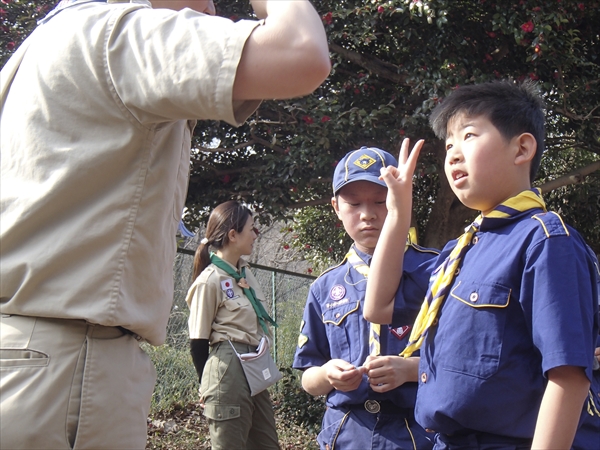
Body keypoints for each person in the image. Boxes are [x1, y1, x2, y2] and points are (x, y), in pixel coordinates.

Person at [0, 0, 330, 448]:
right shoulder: (117, 33)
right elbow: (301, 52)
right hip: (70, 364)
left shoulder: (41, 47)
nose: (214, 7)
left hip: (39, 355)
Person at [364, 80, 599, 449]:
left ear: (522, 148)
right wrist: (397, 213)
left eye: (469, 135)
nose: (454, 154)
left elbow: (569, 376)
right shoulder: (460, 250)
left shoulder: (546, 242)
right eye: (449, 146)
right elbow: (378, 306)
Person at [293, 145, 439, 450]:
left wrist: (411, 369)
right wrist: (328, 375)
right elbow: (309, 376)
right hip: (345, 433)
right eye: (353, 203)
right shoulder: (325, 287)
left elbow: (463, 359)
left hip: (416, 432)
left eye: (381, 201)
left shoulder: (435, 271)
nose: (368, 214)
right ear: (335, 207)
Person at [185, 200, 279, 450]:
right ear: (233, 235)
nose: (255, 235)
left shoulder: (245, 275)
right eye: (252, 228)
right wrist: (206, 385)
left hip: (255, 363)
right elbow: (198, 341)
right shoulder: (210, 281)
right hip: (228, 367)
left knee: (266, 444)